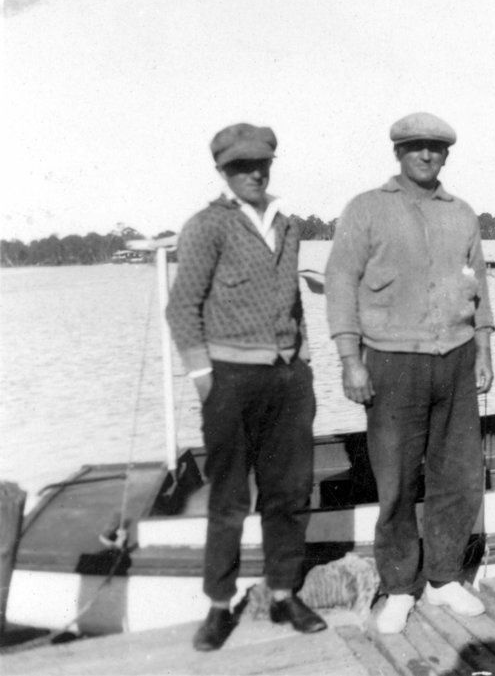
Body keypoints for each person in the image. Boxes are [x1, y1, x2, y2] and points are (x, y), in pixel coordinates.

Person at [325, 112, 494, 634]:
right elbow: (339, 283)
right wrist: (350, 359)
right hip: (391, 361)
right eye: (416, 147)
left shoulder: (461, 213)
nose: (426, 156)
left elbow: (479, 286)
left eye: (436, 149)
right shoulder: (367, 210)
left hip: (457, 357)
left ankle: (443, 579)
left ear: (447, 155)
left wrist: (485, 350)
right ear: (398, 152)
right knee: (396, 481)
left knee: (459, 477)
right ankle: (399, 587)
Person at [166, 123, 327, 651]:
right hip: (229, 381)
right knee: (230, 499)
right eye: (240, 166)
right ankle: (218, 606)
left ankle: (283, 593)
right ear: (222, 172)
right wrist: (203, 378)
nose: (254, 173)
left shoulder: (288, 224)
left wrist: (301, 359)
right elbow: (182, 308)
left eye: (261, 163)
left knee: (290, 493)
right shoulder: (206, 227)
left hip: (287, 378)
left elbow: (293, 301)